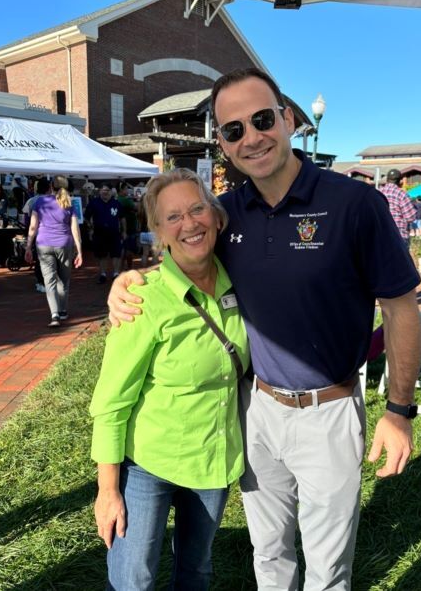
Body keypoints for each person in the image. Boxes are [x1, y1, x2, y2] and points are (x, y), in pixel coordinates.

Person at [108, 67, 421, 589]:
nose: (251, 137)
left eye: (261, 119)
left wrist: (399, 409)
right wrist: (129, 279)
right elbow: (180, 257)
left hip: (330, 410)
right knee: (269, 556)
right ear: (223, 145)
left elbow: (400, 308)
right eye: (234, 130)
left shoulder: (354, 203)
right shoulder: (225, 215)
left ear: (289, 119)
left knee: (328, 566)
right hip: (256, 411)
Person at [90, 168, 249, 589]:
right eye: (173, 217)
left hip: (213, 457)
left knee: (196, 571)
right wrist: (108, 490)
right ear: (158, 232)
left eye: (197, 209)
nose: (189, 224)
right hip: (148, 463)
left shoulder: (244, 281)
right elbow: (111, 401)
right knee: (133, 580)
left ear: (216, 217)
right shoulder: (141, 298)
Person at [24, 177, 83, 327]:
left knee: (49, 281)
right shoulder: (69, 202)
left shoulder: (40, 202)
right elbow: (75, 229)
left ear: (51, 186)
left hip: (43, 244)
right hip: (64, 244)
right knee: (63, 280)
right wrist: (79, 250)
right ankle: (63, 311)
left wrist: (28, 246)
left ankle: (54, 314)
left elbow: (33, 227)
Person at [86, 184, 123, 283]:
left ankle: (116, 274)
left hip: (114, 233)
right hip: (99, 233)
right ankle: (103, 274)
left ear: (111, 191)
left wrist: (124, 231)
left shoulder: (116, 203)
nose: (105, 192)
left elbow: (122, 218)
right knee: (102, 255)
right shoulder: (94, 203)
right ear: (99, 192)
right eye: (103, 190)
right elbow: (86, 217)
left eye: (107, 190)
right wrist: (90, 227)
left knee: (116, 254)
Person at [379, 168, 418, 242]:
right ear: (400, 181)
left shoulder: (378, 192)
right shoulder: (401, 194)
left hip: (380, 235)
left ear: (387, 179)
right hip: (398, 235)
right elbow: (410, 217)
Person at [117, 182, 140, 271]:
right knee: (129, 249)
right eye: (126, 189)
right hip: (129, 228)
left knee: (122, 248)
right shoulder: (125, 200)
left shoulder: (117, 199)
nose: (128, 191)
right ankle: (129, 268)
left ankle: (120, 269)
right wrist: (137, 200)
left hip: (121, 228)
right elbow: (137, 208)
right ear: (121, 190)